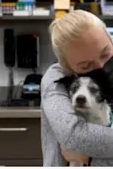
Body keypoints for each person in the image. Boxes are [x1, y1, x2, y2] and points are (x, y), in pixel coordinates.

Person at [42, 10, 113, 165]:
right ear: (67, 67)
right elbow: (74, 136)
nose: (101, 67)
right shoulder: (57, 77)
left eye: (105, 54)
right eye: (86, 65)